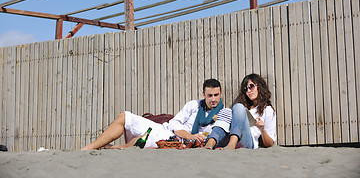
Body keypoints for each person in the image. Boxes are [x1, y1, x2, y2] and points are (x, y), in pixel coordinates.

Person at [81, 78, 224, 150]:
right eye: (209, 95)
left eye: (216, 95)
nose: (213, 99)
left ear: (221, 94)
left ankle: (112, 148)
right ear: (203, 94)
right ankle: (87, 149)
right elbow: (174, 124)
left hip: (174, 142)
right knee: (125, 116)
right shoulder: (194, 105)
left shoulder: (224, 113)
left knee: (138, 143)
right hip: (164, 130)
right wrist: (190, 136)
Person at [205, 74, 276, 150]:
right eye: (245, 89)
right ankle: (210, 142)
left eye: (251, 86)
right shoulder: (246, 107)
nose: (248, 91)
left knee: (238, 106)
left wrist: (262, 129)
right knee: (227, 111)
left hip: (247, 141)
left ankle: (231, 144)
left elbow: (270, 143)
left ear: (260, 86)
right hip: (229, 137)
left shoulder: (267, 110)